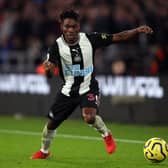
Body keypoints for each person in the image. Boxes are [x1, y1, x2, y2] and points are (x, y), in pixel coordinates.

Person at [31, 9, 153, 159]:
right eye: (67, 26)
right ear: (61, 26)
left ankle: (107, 135)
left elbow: (118, 37)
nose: (70, 30)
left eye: (73, 26)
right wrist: (48, 70)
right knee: (51, 125)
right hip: (68, 91)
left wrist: (137, 30)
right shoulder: (55, 47)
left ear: (79, 26)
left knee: (88, 117)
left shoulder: (90, 39)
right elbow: (49, 74)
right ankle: (44, 151)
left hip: (88, 87)